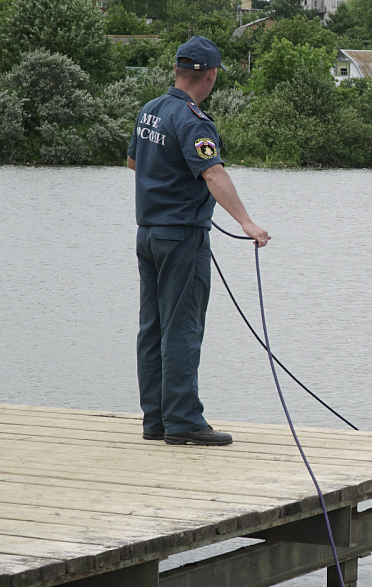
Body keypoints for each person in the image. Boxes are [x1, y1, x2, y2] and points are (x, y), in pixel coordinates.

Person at [127, 35, 270, 446]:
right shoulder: (193, 120)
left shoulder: (150, 111)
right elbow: (213, 173)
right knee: (183, 328)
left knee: (152, 327)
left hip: (148, 234)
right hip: (181, 238)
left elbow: (136, 162)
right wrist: (246, 222)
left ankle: (156, 420)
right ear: (209, 75)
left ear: (177, 71)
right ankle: (184, 420)